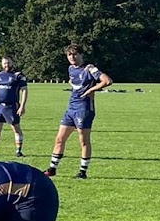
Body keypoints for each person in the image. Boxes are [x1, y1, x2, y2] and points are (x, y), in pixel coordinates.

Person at [47, 45, 113, 180]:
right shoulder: (71, 68)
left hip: (84, 109)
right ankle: (52, 169)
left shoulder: (89, 68)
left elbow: (107, 81)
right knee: (59, 139)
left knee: (83, 140)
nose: (72, 57)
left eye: (75, 54)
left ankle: (82, 171)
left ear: (81, 55)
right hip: (71, 107)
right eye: (69, 55)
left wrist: (91, 90)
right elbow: (74, 82)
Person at [0, 56, 28, 157]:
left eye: (8, 63)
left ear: (12, 63)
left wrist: (22, 106)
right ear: (2, 64)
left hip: (11, 106)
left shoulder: (18, 75)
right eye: (5, 63)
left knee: (15, 128)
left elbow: (24, 90)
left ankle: (18, 150)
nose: (6, 65)